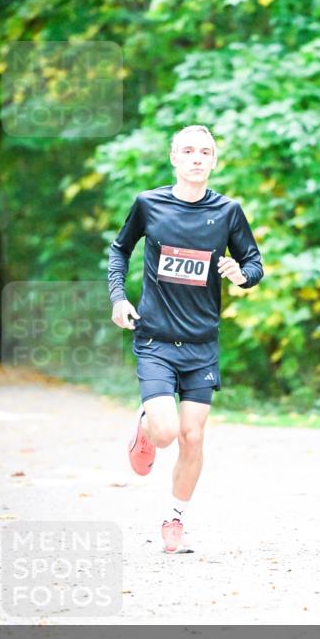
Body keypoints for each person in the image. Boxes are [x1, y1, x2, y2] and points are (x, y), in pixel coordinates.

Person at [107, 124, 264, 552]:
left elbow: (254, 263)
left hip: (201, 343)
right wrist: (119, 298)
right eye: (189, 151)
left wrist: (241, 274)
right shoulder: (149, 204)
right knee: (166, 433)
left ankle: (174, 517)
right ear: (174, 158)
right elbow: (119, 250)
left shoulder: (228, 211)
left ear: (214, 161)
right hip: (156, 338)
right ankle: (145, 426)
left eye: (205, 152)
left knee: (192, 437)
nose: (197, 158)